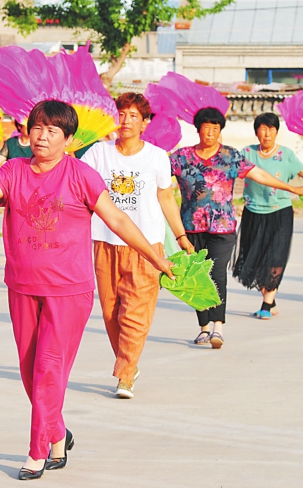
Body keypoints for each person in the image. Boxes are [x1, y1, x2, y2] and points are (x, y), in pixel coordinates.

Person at [0, 100, 174, 480]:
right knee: (30, 372)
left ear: (69, 139)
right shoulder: (13, 169)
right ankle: (57, 434)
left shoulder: (81, 175)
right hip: (22, 286)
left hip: (68, 290)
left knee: (48, 370)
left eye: (52, 131)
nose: (41, 137)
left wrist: (155, 257)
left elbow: (118, 218)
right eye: (36, 128)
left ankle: (36, 450)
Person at [80, 92, 194, 399]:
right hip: (105, 242)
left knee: (136, 313)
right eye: (121, 113)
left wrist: (181, 237)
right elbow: (78, 183)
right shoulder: (97, 153)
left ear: (145, 123)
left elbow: (166, 198)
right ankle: (128, 361)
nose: (126, 120)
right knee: (110, 313)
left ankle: (126, 374)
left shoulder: (156, 156)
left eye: (133, 116)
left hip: (146, 245)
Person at [170, 108, 303, 348]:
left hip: (223, 228)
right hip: (191, 227)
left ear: (220, 131)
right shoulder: (181, 157)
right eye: (206, 127)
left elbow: (259, 175)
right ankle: (203, 327)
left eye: (215, 128)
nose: (210, 133)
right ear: (198, 129)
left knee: (217, 273)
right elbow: (156, 176)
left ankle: (218, 327)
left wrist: (291, 189)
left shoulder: (231, 156)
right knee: (198, 276)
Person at [232, 112, 303, 319]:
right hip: (253, 213)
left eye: (271, 129)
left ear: (276, 132)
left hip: (280, 213)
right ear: (256, 132)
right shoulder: (246, 153)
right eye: (263, 128)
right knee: (254, 260)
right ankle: (271, 299)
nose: (267, 133)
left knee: (275, 257)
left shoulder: (286, 155)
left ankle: (266, 304)